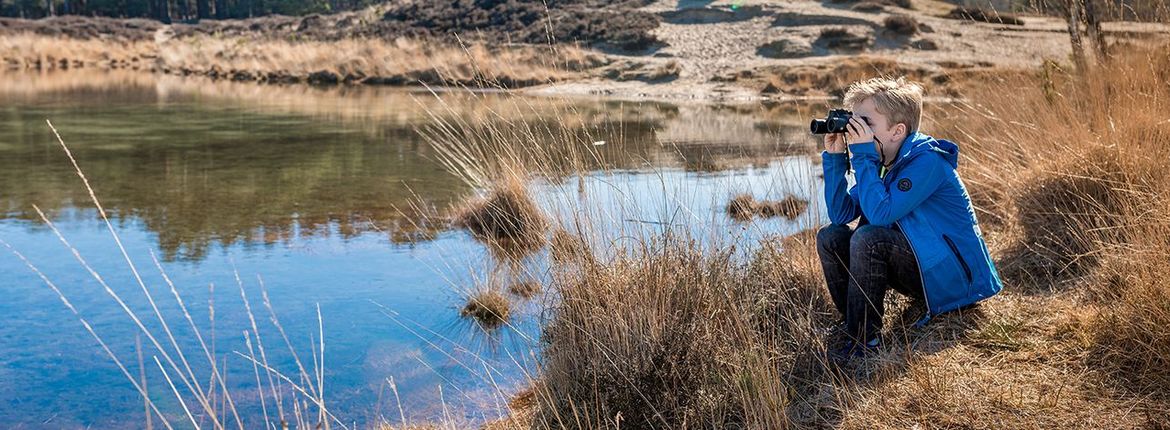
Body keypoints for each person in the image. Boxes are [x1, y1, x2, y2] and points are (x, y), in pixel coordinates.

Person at [815, 77, 1003, 361]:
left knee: (869, 238)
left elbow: (880, 215)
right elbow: (841, 215)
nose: (857, 131)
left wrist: (863, 156)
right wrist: (835, 159)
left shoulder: (928, 162)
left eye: (866, 123)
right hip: (922, 265)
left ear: (897, 131)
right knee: (830, 236)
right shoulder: (884, 163)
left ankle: (864, 340)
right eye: (854, 123)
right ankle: (853, 323)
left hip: (952, 278)